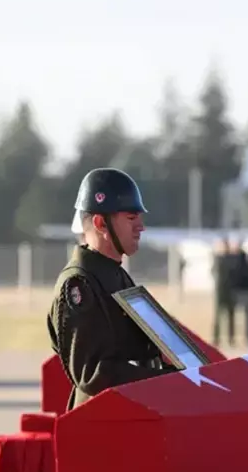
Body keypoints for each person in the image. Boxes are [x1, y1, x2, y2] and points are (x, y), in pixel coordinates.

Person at [48, 168, 175, 410]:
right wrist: (165, 380)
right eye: (130, 218)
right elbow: (93, 374)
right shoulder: (78, 285)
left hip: (130, 418)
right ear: (100, 223)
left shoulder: (114, 274)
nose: (141, 227)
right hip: (100, 429)